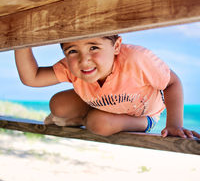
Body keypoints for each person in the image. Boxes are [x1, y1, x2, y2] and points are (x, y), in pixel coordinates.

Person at [15, 35, 200, 139]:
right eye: (72, 51)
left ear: (117, 46)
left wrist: (174, 125)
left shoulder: (136, 59)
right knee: (58, 104)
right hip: (103, 103)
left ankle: (82, 119)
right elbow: (32, 78)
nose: (84, 59)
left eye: (93, 47)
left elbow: (172, 83)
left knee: (99, 123)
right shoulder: (72, 67)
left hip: (141, 115)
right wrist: (20, 37)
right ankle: (77, 118)